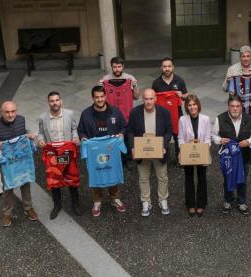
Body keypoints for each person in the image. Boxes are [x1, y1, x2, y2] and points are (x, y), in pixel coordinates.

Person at [0, 101, 37, 227]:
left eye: (13, 111)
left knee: (25, 183)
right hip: (7, 164)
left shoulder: (21, 120)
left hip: (22, 160)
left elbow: (29, 132)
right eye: (7, 112)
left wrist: (31, 135)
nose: (10, 114)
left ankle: (28, 207)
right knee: (8, 188)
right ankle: (7, 213)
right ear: (1, 112)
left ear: (16, 111)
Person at [78, 86, 128, 217]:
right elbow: (81, 130)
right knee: (96, 172)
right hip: (95, 150)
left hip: (111, 149)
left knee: (112, 170)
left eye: (102, 96)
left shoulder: (115, 112)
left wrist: (121, 135)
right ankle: (97, 201)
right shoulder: (86, 114)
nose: (100, 99)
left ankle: (115, 198)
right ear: (93, 98)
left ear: (105, 96)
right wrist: (83, 138)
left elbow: (123, 126)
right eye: (97, 97)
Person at [127, 89, 173, 217]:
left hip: (159, 150)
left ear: (155, 99)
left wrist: (164, 145)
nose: (148, 102)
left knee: (163, 177)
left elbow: (169, 131)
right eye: (146, 99)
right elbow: (130, 131)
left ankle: (162, 199)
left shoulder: (164, 112)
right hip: (142, 151)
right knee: (143, 178)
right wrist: (133, 147)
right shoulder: (135, 112)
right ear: (143, 99)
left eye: (151, 99)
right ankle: (146, 201)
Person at [212, 94, 251, 215]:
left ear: (241, 106)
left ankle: (241, 201)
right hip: (228, 158)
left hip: (244, 157)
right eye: (232, 106)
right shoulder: (220, 119)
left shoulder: (250, 119)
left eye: (237, 106)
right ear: (228, 106)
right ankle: (228, 200)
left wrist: (248, 141)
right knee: (227, 179)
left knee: (242, 180)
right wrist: (220, 140)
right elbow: (213, 135)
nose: (235, 109)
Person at [36, 91, 81, 220]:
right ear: (48, 103)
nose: (54, 103)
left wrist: (75, 137)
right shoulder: (43, 118)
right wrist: (39, 140)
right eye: (52, 101)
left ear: (61, 101)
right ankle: (57, 205)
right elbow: (40, 133)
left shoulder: (69, 114)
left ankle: (75, 204)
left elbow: (74, 128)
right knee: (54, 179)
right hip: (53, 153)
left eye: (57, 100)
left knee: (72, 178)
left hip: (67, 150)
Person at [177, 94, 211, 217]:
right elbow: (180, 138)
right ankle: (190, 203)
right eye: (189, 105)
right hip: (188, 154)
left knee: (202, 178)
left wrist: (203, 150)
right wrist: (182, 150)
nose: (192, 107)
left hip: (201, 152)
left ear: (198, 105)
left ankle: (201, 203)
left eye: (194, 104)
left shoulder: (206, 119)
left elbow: (208, 138)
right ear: (186, 107)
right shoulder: (182, 119)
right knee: (189, 178)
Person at [152, 57, 188, 162]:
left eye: (169, 66)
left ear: (173, 67)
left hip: (177, 114)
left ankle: (179, 158)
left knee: (178, 138)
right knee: (163, 138)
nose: (167, 68)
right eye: (164, 66)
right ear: (161, 68)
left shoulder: (180, 80)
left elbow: (186, 95)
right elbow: (153, 98)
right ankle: (164, 158)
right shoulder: (156, 83)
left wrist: (182, 95)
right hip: (162, 116)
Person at [222, 45, 251, 119]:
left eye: (248, 56)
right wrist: (228, 82)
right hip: (236, 111)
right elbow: (225, 89)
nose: (246, 59)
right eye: (243, 56)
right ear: (240, 57)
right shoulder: (232, 70)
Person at [100, 56, 139, 121]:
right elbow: (100, 100)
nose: (117, 69)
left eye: (119, 67)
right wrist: (100, 88)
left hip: (126, 113)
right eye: (114, 67)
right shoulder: (105, 79)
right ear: (111, 67)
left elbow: (136, 97)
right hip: (110, 114)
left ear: (123, 66)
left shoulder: (130, 78)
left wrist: (134, 86)